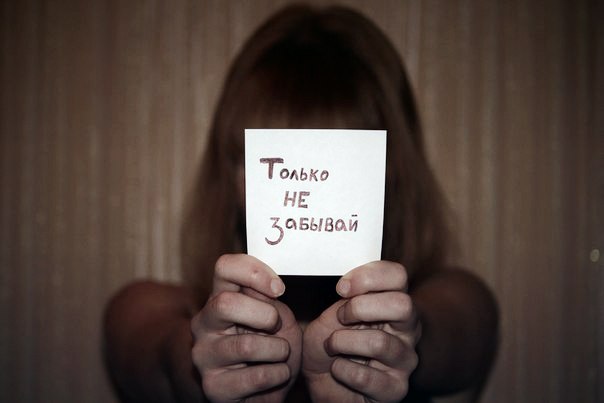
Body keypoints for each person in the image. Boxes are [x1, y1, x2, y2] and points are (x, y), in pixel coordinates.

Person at [103, 5, 499, 403]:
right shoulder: (150, 308)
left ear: (389, 174)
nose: (306, 189)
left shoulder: (455, 298)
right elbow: (149, 350)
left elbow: (458, 331)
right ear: (229, 171)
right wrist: (207, 358)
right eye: (273, 162)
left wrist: (403, 340)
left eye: (335, 163)